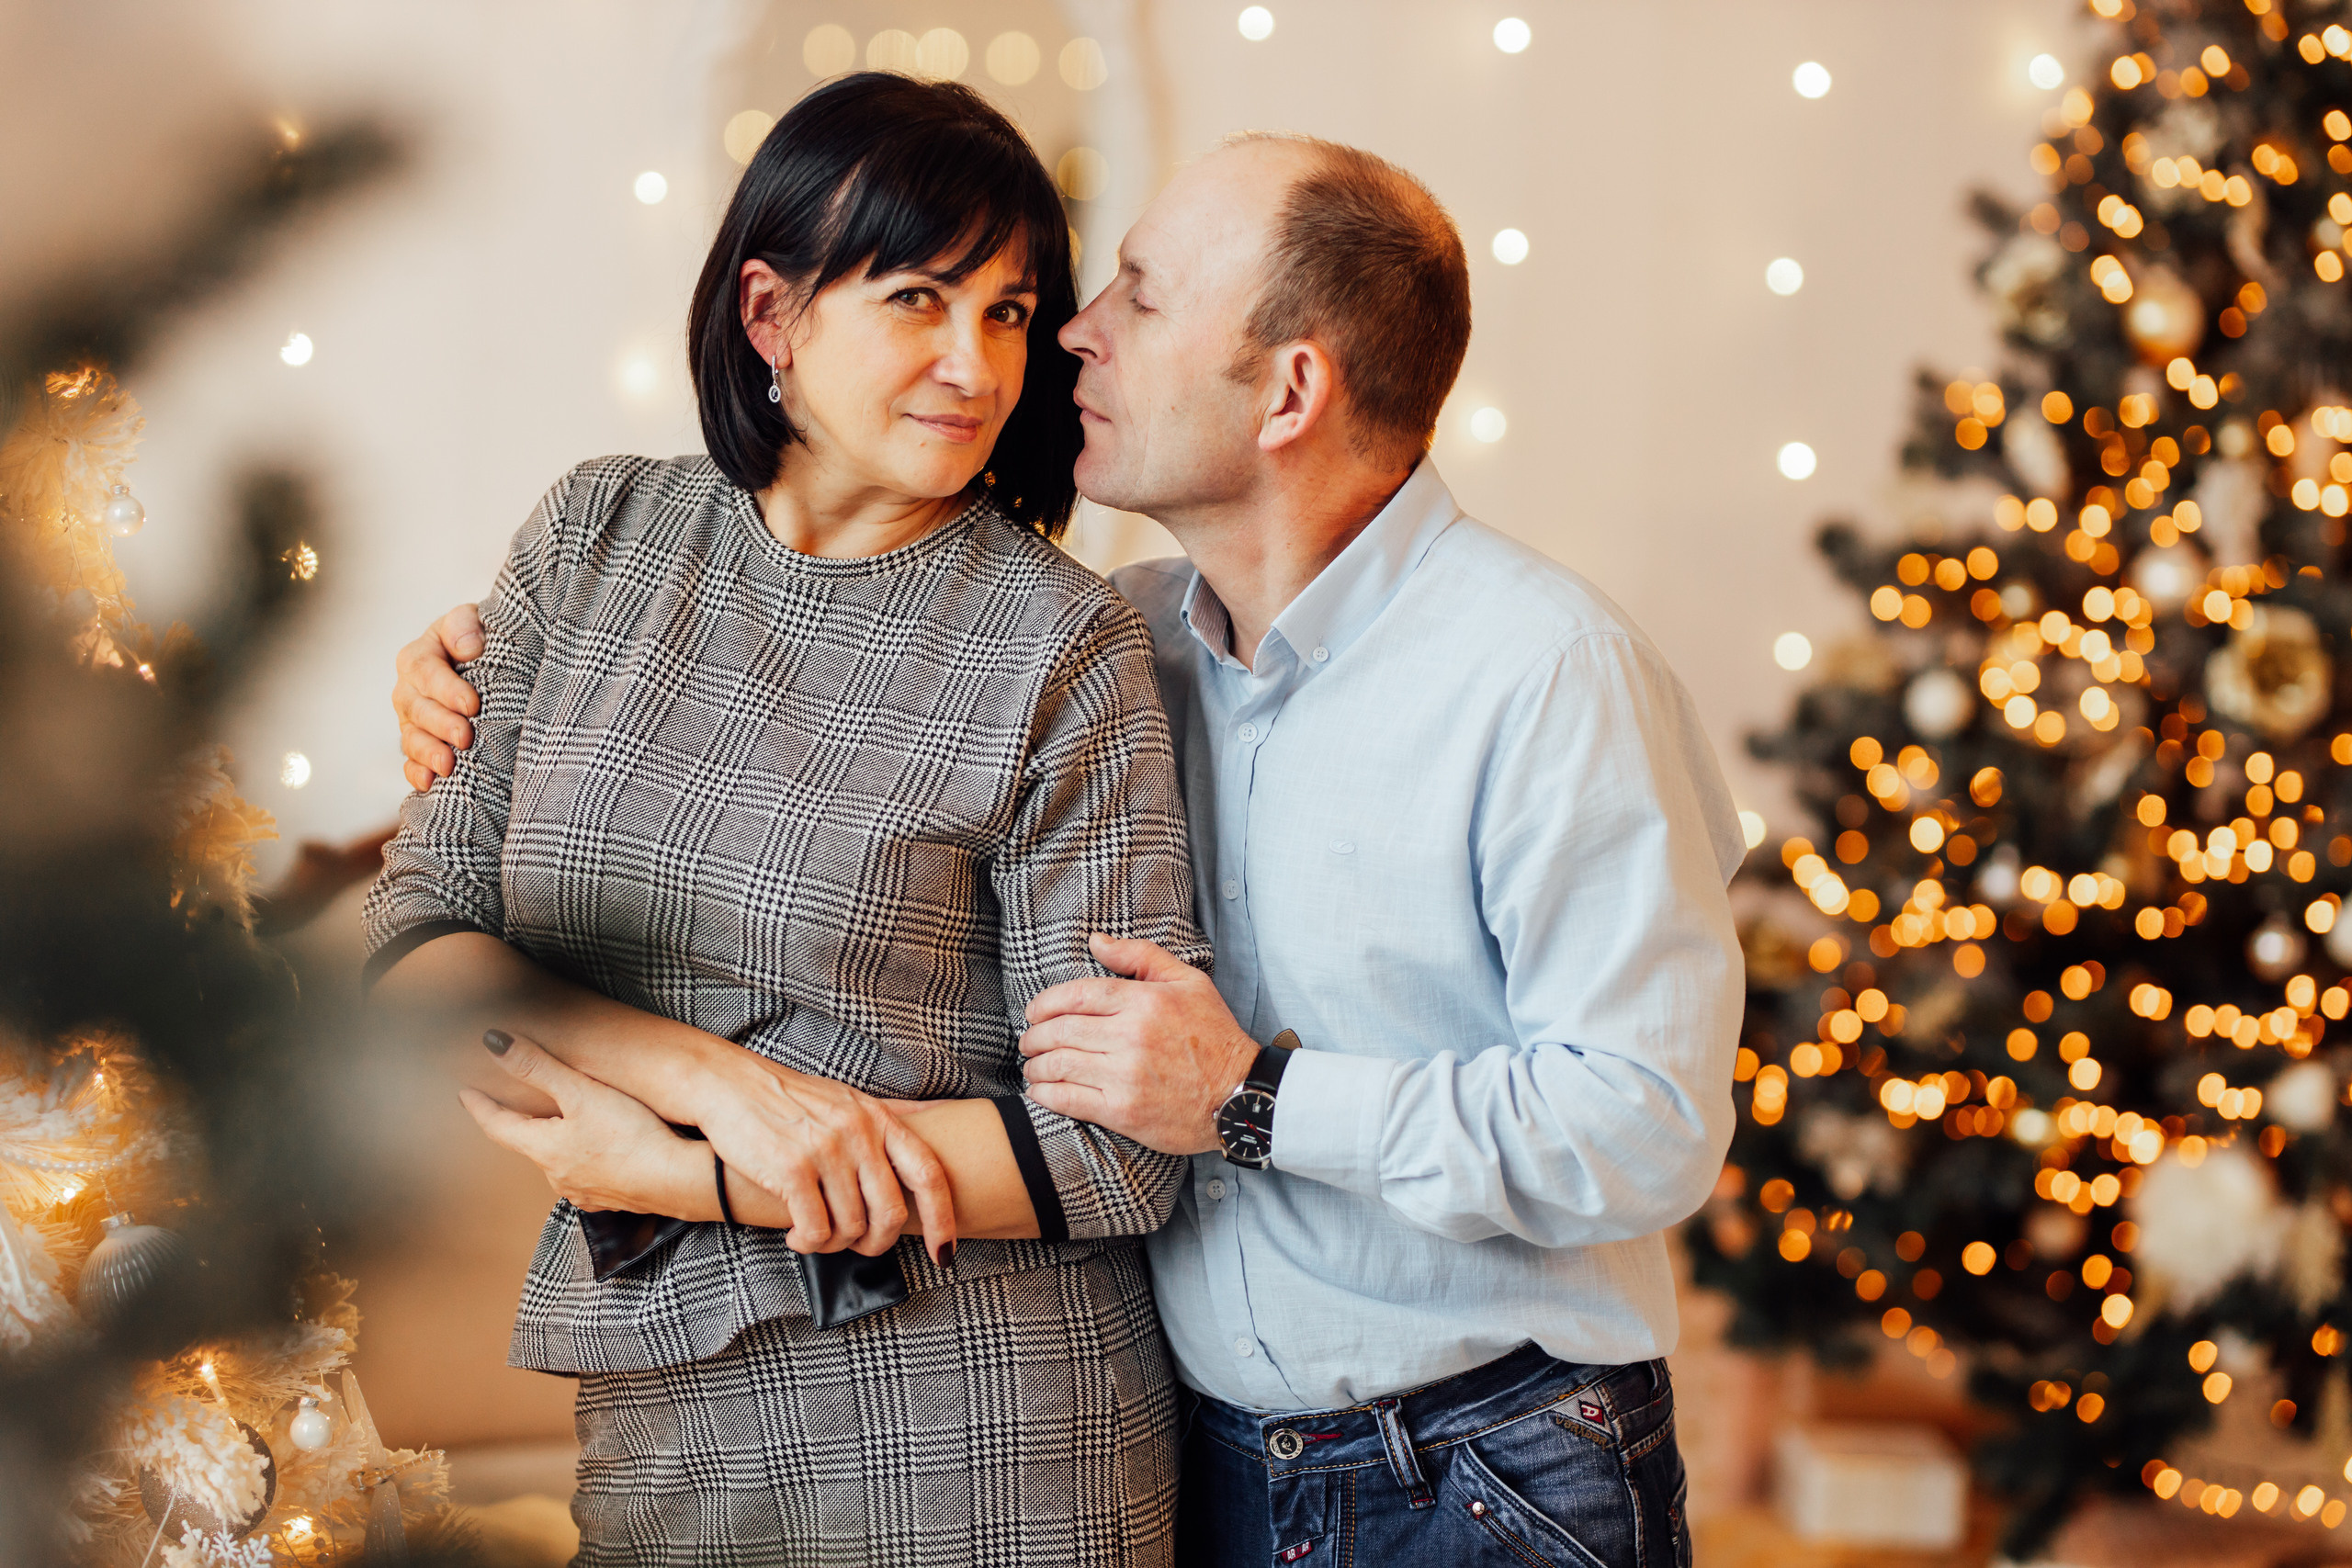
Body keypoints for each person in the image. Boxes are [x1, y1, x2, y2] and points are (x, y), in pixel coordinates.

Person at [397, 132, 1742, 1566]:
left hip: (1477, 1464)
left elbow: (1643, 1126)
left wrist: (1251, 1096)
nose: (1061, 341)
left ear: (1290, 390)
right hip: (1219, 1451)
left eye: (1126, 299)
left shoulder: (1546, 670)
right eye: (940, 297)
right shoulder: (1159, 629)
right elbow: (464, 889)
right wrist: (459, 679)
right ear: (767, 316)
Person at [364, 73, 1206, 1566]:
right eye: (917, 298)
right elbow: (419, 952)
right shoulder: (596, 537)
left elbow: (1117, 1152)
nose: (974, 362)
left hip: (991, 1432)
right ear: (772, 317)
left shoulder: (1059, 646)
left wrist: (688, 1172)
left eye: (1010, 312)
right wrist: (728, 1089)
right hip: (667, 1416)